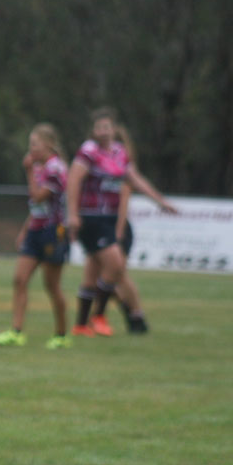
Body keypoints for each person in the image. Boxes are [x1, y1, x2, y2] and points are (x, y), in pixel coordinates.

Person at [66, 108, 177, 336]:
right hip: (91, 217)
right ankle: (99, 316)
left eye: (107, 127)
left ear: (114, 129)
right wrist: (73, 214)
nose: (103, 131)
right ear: (93, 131)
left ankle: (81, 325)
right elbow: (73, 181)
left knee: (93, 272)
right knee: (115, 266)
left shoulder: (119, 152)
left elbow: (135, 180)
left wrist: (160, 201)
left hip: (110, 217)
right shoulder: (89, 151)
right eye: (99, 127)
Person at [0, 123, 72, 349]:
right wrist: (25, 230)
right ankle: (16, 332)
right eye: (30, 144)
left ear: (49, 145)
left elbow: (37, 197)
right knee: (20, 279)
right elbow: (37, 208)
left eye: (35, 144)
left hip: (54, 232)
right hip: (35, 230)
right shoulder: (39, 167)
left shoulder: (55, 169)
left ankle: (62, 335)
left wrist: (28, 171)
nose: (31, 149)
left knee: (51, 285)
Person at [85, 124, 145, 336]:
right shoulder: (106, 168)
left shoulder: (120, 170)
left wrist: (118, 233)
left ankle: (135, 316)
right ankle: (127, 315)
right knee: (105, 278)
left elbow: (123, 204)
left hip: (117, 229)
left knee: (117, 277)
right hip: (105, 227)